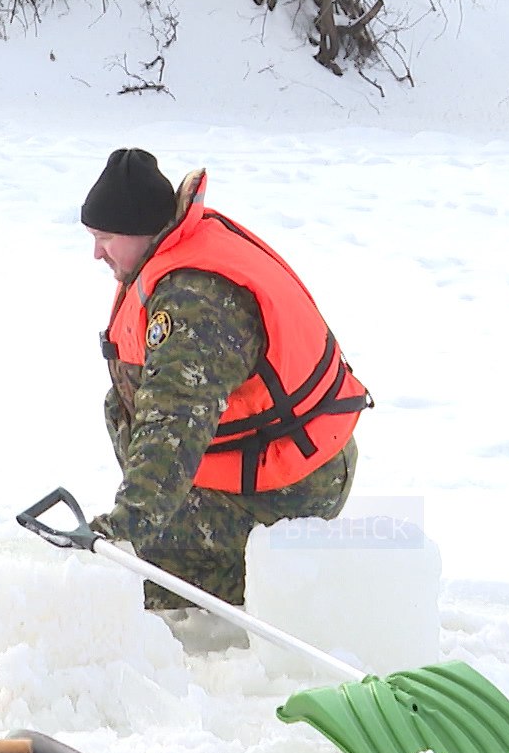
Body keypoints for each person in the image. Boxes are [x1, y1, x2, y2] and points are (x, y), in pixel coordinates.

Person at [79, 148, 369, 609]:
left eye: (105, 237)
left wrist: (125, 534)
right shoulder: (175, 247)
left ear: (140, 231)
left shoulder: (196, 305)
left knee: (141, 576)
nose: (96, 252)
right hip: (280, 458)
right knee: (122, 410)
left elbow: (172, 426)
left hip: (293, 487)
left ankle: (268, 580)